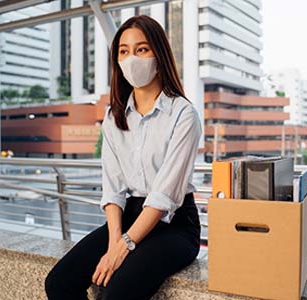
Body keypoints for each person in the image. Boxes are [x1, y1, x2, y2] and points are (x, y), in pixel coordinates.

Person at [44, 15, 202, 300]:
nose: (132, 58)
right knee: (58, 283)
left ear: (159, 54)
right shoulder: (114, 117)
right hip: (127, 217)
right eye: (124, 51)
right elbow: (113, 188)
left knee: (115, 293)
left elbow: (163, 195)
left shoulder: (183, 114)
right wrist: (115, 237)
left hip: (174, 225)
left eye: (142, 49)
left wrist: (123, 246)